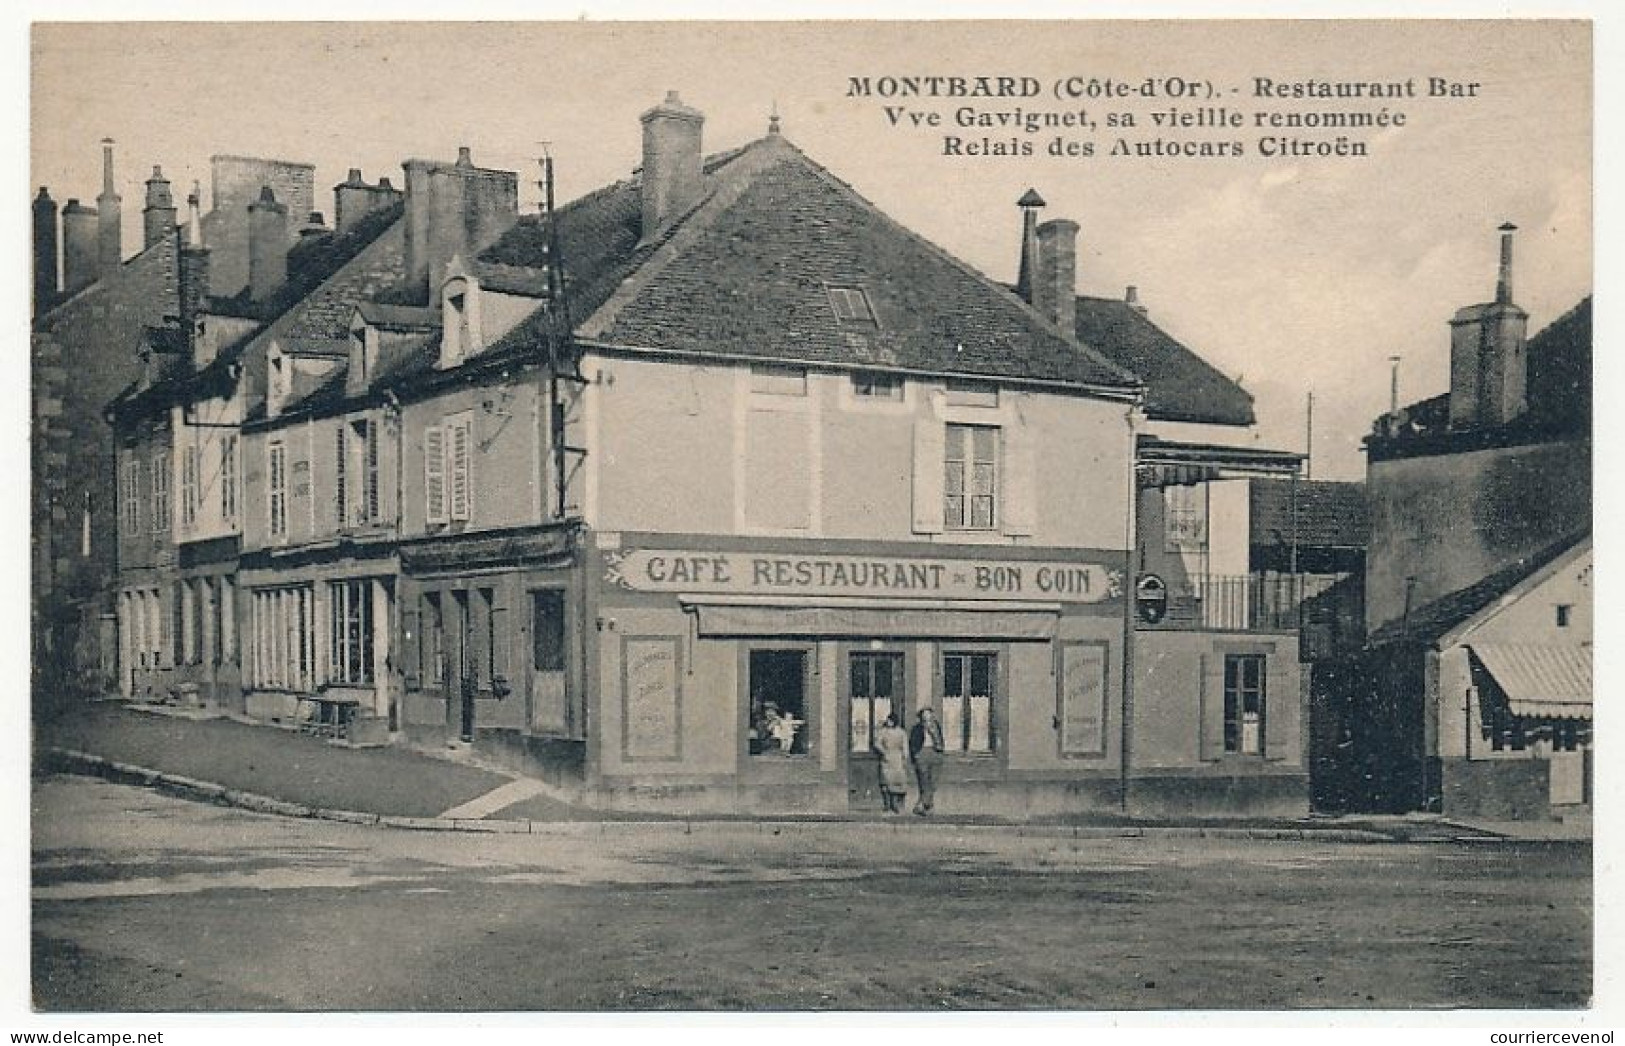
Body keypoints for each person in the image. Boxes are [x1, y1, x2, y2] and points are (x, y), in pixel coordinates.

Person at [908, 707, 946, 815]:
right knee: (924, 781)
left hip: (935, 753)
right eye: (925, 716)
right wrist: (916, 755)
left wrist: (940, 752)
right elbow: (913, 743)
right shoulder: (917, 728)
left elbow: (940, 740)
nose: (927, 718)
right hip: (922, 753)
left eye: (929, 715)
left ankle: (923, 805)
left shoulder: (936, 726)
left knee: (933, 782)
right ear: (921, 718)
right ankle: (926, 806)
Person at [872, 714, 910, 814]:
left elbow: (905, 746)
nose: (888, 722)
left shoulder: (901, 732)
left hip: (897, 759)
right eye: (888, 721)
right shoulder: (883, 732)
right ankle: (887, 804)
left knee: (895, 782)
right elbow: (877, 743)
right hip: (886, 758)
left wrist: (905, 757)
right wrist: (883, 751)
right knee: (885, 781)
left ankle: (894, 804)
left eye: (890, 721)